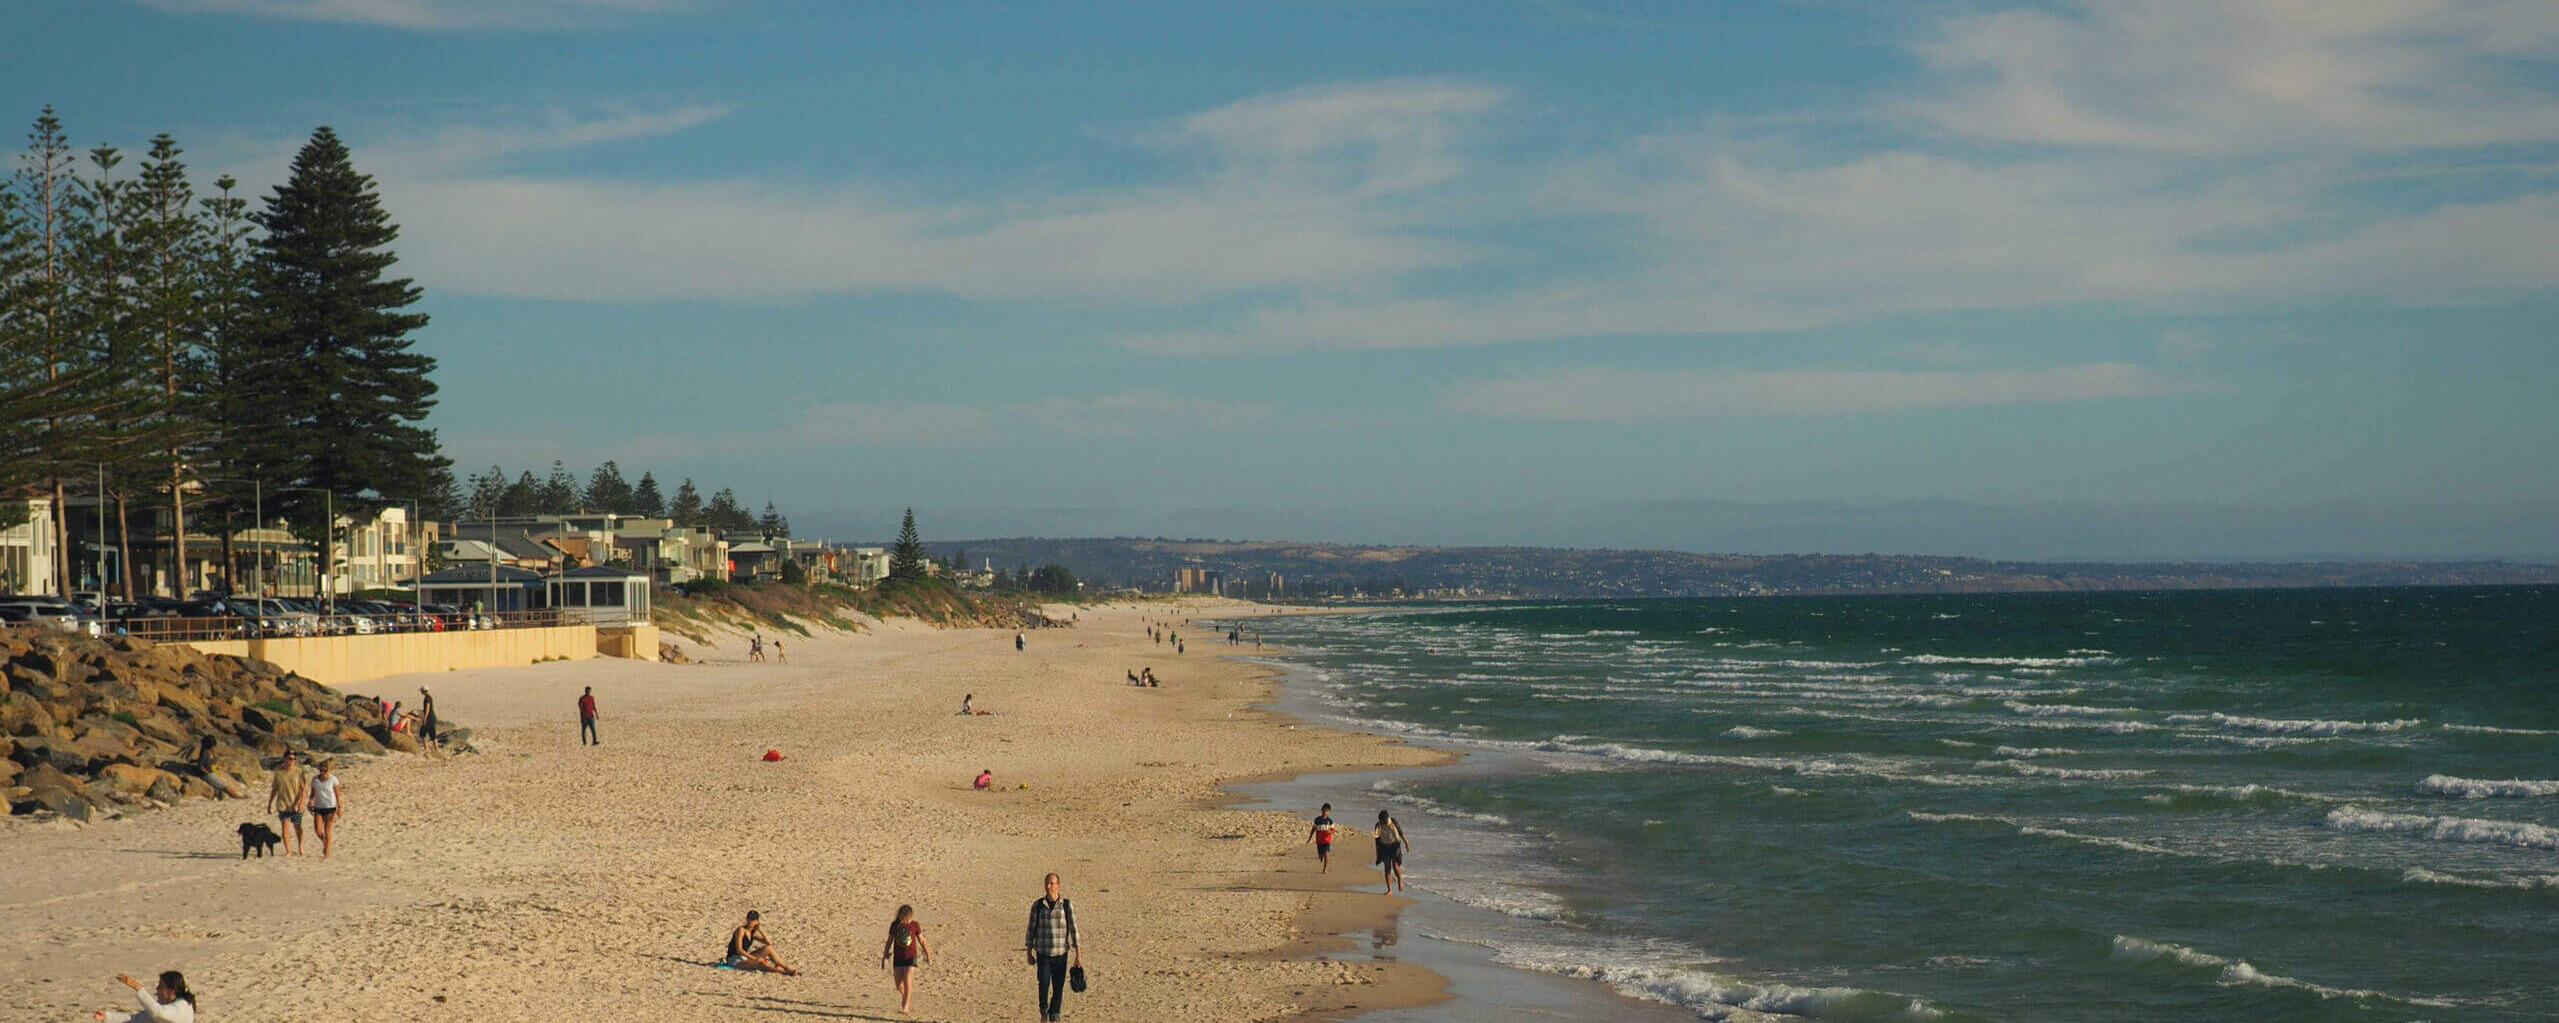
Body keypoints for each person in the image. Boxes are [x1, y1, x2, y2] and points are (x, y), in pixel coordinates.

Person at [1023, 873, 1082, 1023]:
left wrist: (1078, 956)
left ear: (1058, 885)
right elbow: (1031, 929)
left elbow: (1074, 931)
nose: (1049, 886)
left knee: (1058, 987)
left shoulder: (1067, 906)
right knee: (1043, 983)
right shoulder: (1037, 906)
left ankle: (1054, 1016)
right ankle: (1044, 1011)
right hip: (1043, 953)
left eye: (1051, 883)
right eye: (1047, 883)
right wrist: (1029, 952)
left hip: (1061, 954)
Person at [880, 904, 931, 1014]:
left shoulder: (915, 925)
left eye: (909, 919)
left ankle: (906, 1006)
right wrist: (885, 954)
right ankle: (905, 997)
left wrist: (928, 954)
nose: (907, 921)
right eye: (905, 919)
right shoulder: (894, 925)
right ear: (901, 917)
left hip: (911, 957)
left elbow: (922, 940)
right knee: (898, 984)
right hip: (898, 958)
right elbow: (889, 941)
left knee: (907, 979)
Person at [91, 970, 193, 1023]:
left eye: (161, 986)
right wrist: (107, 1017)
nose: (157, 989)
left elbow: (158, 1013)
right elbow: (136, 1020)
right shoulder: (164, 1006)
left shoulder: (182, 1007)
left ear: (171, 991)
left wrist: (137, 987)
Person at [725, 910, 798, 975]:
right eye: (749, 919)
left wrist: (760, 930)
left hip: (744, 957)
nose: (750, 921)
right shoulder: (741, 930)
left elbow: (768, 943)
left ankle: (788, 968)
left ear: (757, 921)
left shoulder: (753, 933)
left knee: (768, 949)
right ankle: (783, 972)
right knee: (759, 964)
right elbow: (739, 950)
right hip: (734, 959)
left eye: (752, 919)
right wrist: (755, 958)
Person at [267, 749, 309, 855]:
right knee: (285, 826)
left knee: (297, 826)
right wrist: (270, 803)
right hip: (283, 804)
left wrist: (300, 803)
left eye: (294, 759)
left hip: (295, 804)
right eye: (290, 758)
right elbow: (275, 788)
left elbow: (303, 789)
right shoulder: (278, 771)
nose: (292, 761)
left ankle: (300, 846)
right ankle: (288, 851)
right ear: (285, 759)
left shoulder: (298, 772)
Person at [309, 758, 343, 858]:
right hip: (319, 807)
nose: (322, 772)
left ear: (328, 770)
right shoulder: (315, 780)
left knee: (327, 829)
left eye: (325, 770)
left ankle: (327, 852)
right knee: (318, 830)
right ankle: (325, 842)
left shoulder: (333, 779)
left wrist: (339, 808)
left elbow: (337, 795)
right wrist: (310, 801)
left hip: (330, 807)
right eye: (321, 770)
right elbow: (313, 793)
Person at [1375, 810, 1410, 893]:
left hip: (1395, 845)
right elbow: (1376, 839)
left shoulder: (1393, 822)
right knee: (1387, 867)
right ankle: (1389, 890)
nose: (1383, 823)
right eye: (1381, 821)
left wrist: (1407, 843)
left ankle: (1400, 881)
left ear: (1387, 818)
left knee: (1395, 865)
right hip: (1384, 846)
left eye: (1384, 821)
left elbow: (1401, 833)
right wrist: (1378, 852)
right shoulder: (1378, 825)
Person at [1307, 803, 1337, 873]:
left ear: (1329, 812)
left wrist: (1330, 832)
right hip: (1319, 841)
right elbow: (1313, 829)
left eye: (1326, 811)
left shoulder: (1330, 821)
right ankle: (1321, 856)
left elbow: (1333, 830)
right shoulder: (1317, 820)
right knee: (1320, 855)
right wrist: (1309, 838)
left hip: (1327, 840)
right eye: (1323, 811)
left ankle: (1325, 869)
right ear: (1321, 811)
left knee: (1327, 853)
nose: (1324, 813)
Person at [417, 686, 440, 754]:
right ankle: (436, 749)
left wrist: (425, 718)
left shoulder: (427, 698)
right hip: (432, 717)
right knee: (432, 733)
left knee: (422, 733)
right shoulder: (430, 697)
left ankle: (426, 749)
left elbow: (427, 709)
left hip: (429, 717)